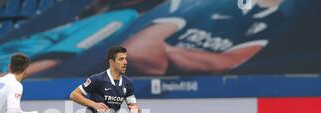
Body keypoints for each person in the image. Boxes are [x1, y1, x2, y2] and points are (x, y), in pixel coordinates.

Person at [123, 0, 289, 75]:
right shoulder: (204, 4)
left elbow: (228, 63)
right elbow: (135, 51)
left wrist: (169, 52)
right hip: (146, 96)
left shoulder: (278, 23)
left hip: (216, 99)